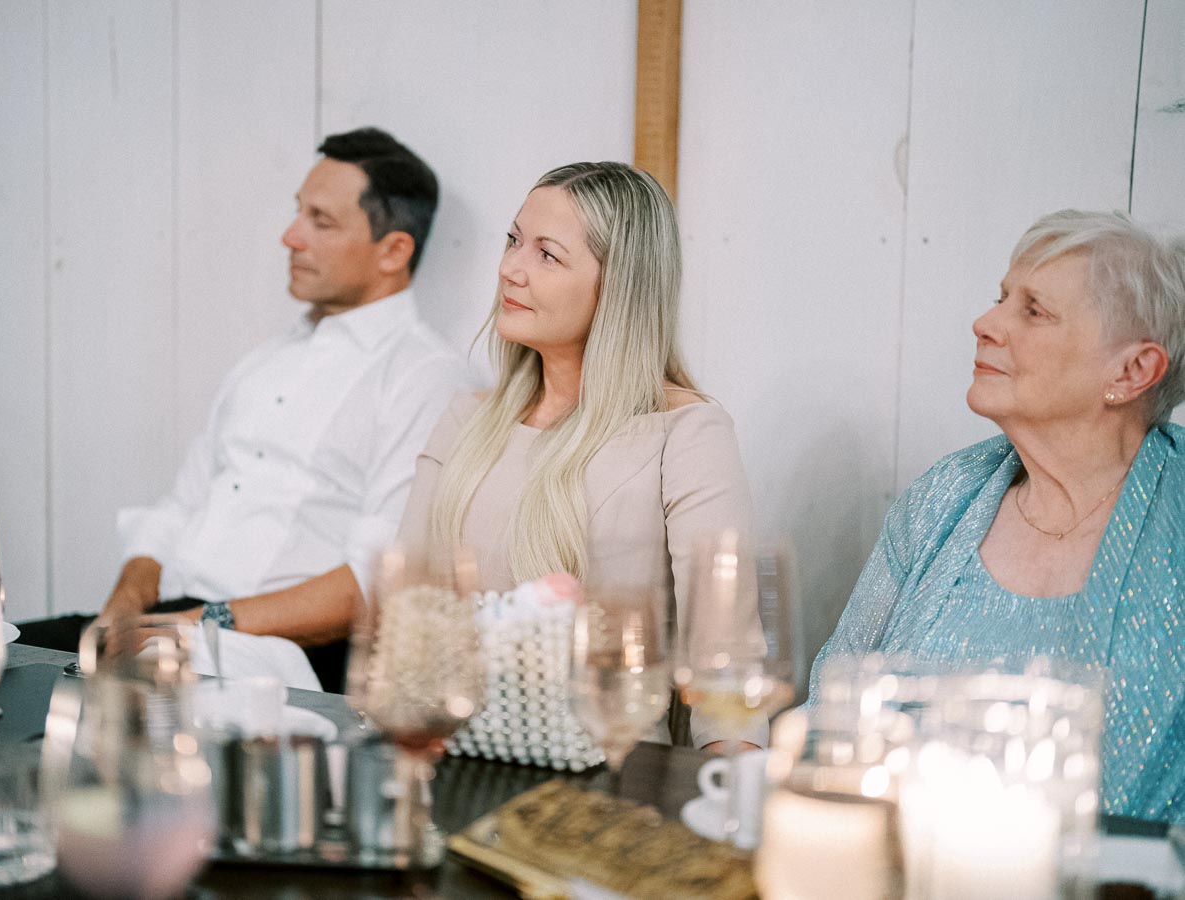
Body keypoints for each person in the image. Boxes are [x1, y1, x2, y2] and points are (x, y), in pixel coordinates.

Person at [18, 128, 469, 691]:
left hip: (277, 653)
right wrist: (128, 604)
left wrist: (203, 622)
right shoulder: (267, 361)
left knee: (50, 713)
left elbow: (376, 581)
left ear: (394, 251)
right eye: (297, 213)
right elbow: (178, 508)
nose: (290, 236)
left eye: (320, 222)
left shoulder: (426, 377)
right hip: (177, 622)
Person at [809, 209, 1185, 823]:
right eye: (1001, 298)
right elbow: (833, 703)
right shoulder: (943, 498)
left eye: (1032, 310)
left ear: (1132, 371)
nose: (985, 323)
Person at [396, 161, 762, 750]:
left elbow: (728, 670)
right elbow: (404, 622)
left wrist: (731, 818)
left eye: (548, 254)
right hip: (455, 758)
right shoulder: (465, 420)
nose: (510, 269)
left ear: (620, 285)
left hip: (609, 781)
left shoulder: (688, 434)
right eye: (513, 241)